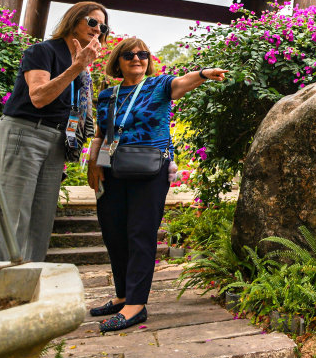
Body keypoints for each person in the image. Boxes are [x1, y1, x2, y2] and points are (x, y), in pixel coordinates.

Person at [86, 38, 226, 332]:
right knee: (113, 233)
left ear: (148, 59)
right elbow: (101, 133)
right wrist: (93, 163)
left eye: (142, 54)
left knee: (139, 233)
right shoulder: (108, 94)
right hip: (112, 169)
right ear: (118, 61)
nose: (136, 58)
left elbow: (180, 83)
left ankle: (136, 305)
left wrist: (202, 74)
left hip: (149, 169)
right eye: (129, 55)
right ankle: (123, 295)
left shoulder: (158, 85)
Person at [0, 2, 108, 262]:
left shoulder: (84, 66)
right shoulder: (43, 51)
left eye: (103, 26)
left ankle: (26, 287)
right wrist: (76, 67)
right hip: (24, 133)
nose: (97, 29)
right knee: (11, 218)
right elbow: (39, 97)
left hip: (56, 141)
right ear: (74, 19)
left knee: (40, 223)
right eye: (92, 21)